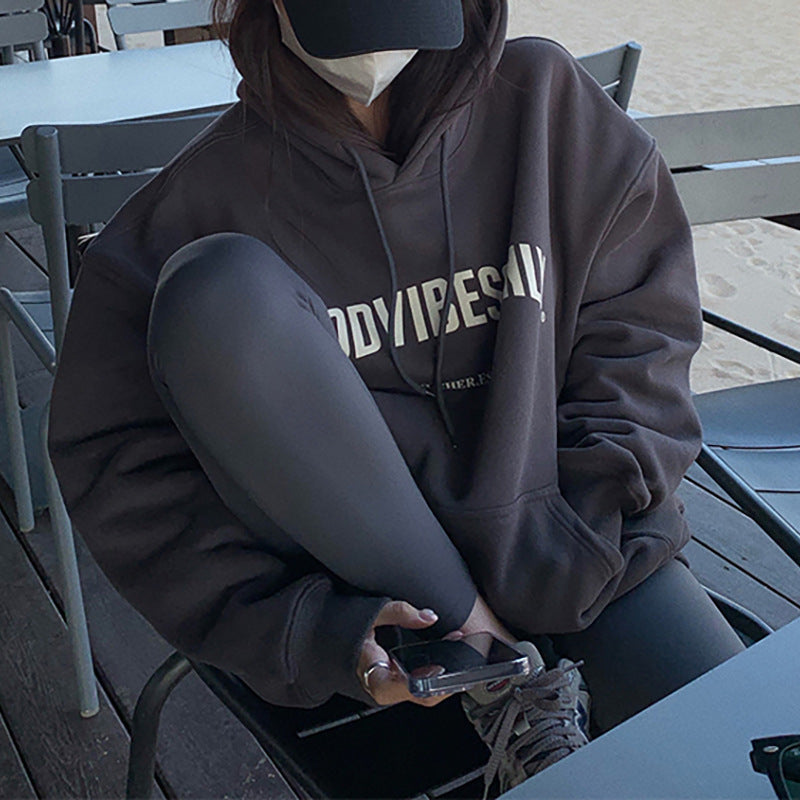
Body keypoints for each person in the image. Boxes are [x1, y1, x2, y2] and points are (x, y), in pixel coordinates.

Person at [47, 0, 745, 794]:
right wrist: (306, 626)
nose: (377, 48)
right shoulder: (184, 217)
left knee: (744, 766)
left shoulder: (547, 106)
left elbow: (640, 330)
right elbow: (122, 469)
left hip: (581, 552)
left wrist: (581, 521)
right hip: (387, 626)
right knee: (216, 294)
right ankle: (490, 664)